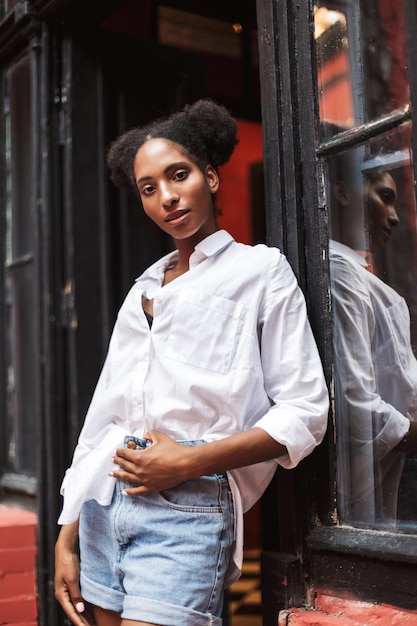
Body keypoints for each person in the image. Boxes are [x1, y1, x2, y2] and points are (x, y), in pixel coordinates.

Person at [54, 99, 329, 626]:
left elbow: (305, 411)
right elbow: (103, 422)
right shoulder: (142, 290)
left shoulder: (259, 270)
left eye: (178, 175)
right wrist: (67, 534)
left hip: (188, 510)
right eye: (148, 188)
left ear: (210, 175)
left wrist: (189, 461)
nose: (166, 197)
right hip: (102, 507)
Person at [328, 148, 417, 527]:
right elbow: (353, 402)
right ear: (343, 192)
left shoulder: (355, 274)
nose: (394, 218)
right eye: (384, 197)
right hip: (365, 489)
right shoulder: (339, 273)